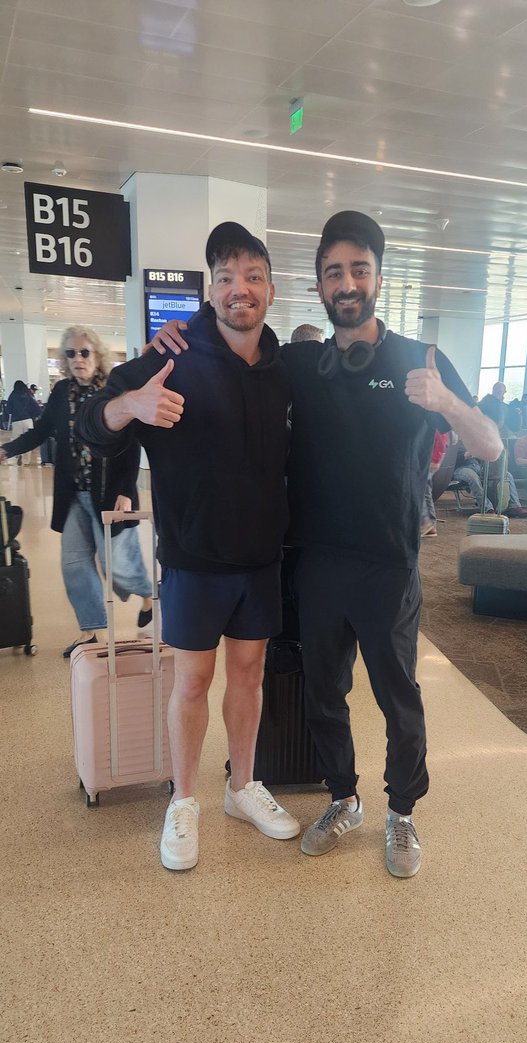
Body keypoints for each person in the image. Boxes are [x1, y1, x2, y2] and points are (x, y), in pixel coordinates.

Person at [146, 210, 502, 880]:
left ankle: (402, 813)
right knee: (323, 693)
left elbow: (489, 446)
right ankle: (342, 798)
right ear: (318, 285)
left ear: (378, 278)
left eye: (359, 269)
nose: (347, 283)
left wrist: (448, 404)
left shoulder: (419, 359)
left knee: (398, 697)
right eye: (334, 272)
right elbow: (236, 331)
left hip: (389, 564)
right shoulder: (302, 363)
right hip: (314, 563)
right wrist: (183, 328)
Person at [75, 223, 300, 873]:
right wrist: (130, 406)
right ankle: (183, 800)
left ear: (271, 290)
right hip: (195, 559)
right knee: (193, 680)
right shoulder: (172, 355)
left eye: (252, 277)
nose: (239, 290)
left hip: (261, 558)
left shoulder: (284, 369)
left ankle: (241, 787)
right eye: (225, 278)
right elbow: (92, 425)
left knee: (249, 676)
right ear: (210, 290)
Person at [0, 326, 153, 656]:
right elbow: (41, 431)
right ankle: (91, 630)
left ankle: (148, 597)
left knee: (116, 565)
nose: (78, 359)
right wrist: (7, 450)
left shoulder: (113, 390)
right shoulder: (61, 393)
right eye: (70, 353)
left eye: (84, 352)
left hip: (109, 493)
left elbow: (131, 443)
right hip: (72, 495)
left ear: (97, 355)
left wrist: (126, 490)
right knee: (74, 563)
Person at [453, 443, 527, 518]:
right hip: (460, 468)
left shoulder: (473, 442)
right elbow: (448, 460)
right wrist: (464, 456)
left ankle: (515, 506)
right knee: (473, 477)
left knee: (507, 474)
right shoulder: (452, 443)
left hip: (478, 466)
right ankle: (487, 508)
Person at [4, 380, 41, 464]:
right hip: (28, 420)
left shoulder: (13, 395)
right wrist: (33, 415)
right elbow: (36, 408)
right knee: (28, 440)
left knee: (17, 440)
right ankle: (26, 461)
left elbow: (8, 410)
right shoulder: (28, 394)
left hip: (16, 421)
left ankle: (18, 454)